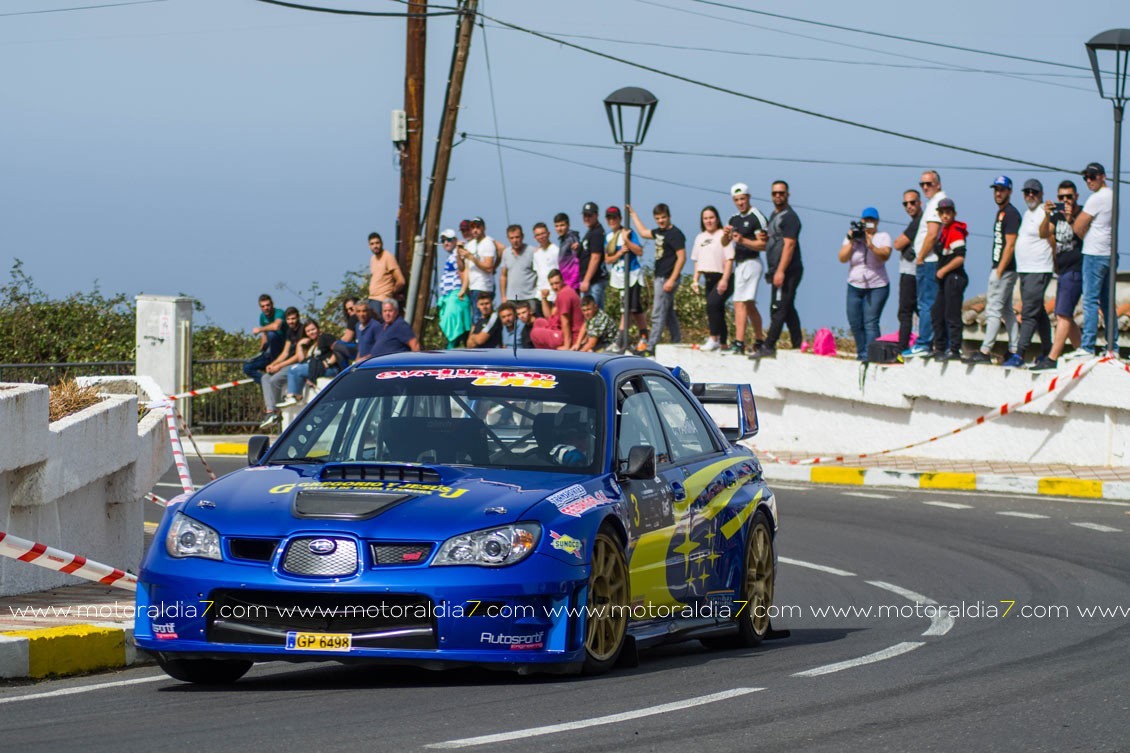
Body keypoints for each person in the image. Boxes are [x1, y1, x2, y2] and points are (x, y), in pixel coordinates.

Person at [965, 176, 1020, 365]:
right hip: (1002, 267)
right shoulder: (1002, 213)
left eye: (1002, 190)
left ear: (1009, 191)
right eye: (996, 189)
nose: (998, 193)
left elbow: (1010, 244)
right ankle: (1014, 349)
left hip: (1004, 269)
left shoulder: (1012, 214)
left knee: (993, 309)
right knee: (1006, 310)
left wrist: (1000, 270)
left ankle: (985, 350)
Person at [1035, 181, 1085, 369]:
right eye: (1061, 197)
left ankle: (1052, 357)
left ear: (1076, 197)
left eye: (1069, 197)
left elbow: (1085, 235)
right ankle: (1081, 350)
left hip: (1076, 268)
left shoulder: (1082, 214)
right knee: (1065, 314)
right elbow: (1043, 233)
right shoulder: (1056, 216)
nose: (1065, 201)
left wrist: (1071, 218)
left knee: (1062, 313)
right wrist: (1047, 215)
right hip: (1063, 269)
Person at [751, 181, 803, 359]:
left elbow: (789, 245)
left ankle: (769, 345)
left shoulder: (790, 217)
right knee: (787, 307)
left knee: (779, 307)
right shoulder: (775, 215)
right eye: (775, 193)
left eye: (781, 193)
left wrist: (781, 271)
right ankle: (798, 343)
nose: (778, 196)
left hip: (788, 270)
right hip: (776, 269)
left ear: (788, 194)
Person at [629, 202, 687, 355]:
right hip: (659, 276)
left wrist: (671, 279)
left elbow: (682, 257)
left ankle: (650, 346)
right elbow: (643, 233)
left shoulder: (675, 234)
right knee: (667, 312)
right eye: (657, 218)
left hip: (668, 277)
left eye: (663, 218)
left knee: (658, 312)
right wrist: (633, 215)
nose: (661, 221)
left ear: (668, 217)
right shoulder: (659, 232)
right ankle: (676, 340)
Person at [1072, 162, 1114, 358]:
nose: (1089, 180)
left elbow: (1078, 226)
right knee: (1107, 301)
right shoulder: (1113, 195)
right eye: (1086, 177)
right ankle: (1112, 345)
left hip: (1094, 254)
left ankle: (1087, 346)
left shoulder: (1096, 199)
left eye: (1092, 176)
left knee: (1090, 300)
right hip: (1109, 253)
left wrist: (1085, 237)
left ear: (1102, 177)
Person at [1011, 179, 1055, 368]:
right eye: (1027, 192)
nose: (1030, 195)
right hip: (1026, 269)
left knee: (1029, 313)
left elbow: (1048, 235)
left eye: (1034, 192)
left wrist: (1047, 215)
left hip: (1038, 269)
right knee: (1039, 312)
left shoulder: (1044, 213)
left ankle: (1019, 354)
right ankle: (1047, 351)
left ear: (1041, 194)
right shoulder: (1028, 213)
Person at [838, 207, 891, 360]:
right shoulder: (854, 236)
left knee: (870, 322)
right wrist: (851, 241)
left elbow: (885, 255)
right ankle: (862, 354)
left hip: (877, 286)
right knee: (855, 321)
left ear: (877, 222)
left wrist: (870, 244)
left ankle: (874, 355)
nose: (868, 223)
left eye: (872, 221)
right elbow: (842, 258)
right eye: (866, 220)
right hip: (855, 285)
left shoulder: (882, 236)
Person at [905, 170, 947, 357]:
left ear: (938, 184)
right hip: (928, 260)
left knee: (926, 303)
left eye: (928, 183)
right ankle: (929, 342)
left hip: (929, 261)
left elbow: (932, 233)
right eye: (922, 184)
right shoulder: (933, 203)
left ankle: (924, 342)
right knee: (927, 302)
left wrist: (920, 256)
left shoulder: (937, 203)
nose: (925, 187)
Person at [725, 183, 769, 356]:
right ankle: (759, 339)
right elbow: (725, 243)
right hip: (740, 263)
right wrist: (725, 235)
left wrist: (743, 240)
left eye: (742, 199)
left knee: (740, 302)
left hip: (752, 262)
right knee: (749, 304)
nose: (740, 203)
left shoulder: (756, 217)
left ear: (748, 198)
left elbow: (763, 245)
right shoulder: (733, 219)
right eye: (737, 200)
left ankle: (739, 342)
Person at [930, 198, 969, 360]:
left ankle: (954, 349)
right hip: (945, 279)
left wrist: (943, 271)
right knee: (937, 312)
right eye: (942, 213)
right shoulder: (944, 231)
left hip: (954, 277)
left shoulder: (955, 231)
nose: (945, 216)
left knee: (952, 314)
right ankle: (939, 347)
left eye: (948, 212)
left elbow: (960, 257)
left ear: (954, 213)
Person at [604, 206, 647, 350]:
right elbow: (608, 259)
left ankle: (624, 340)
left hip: (633, 275)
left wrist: (626, 241)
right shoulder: (608, 237)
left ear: (620, 219)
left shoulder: (628, 232)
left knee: (632, 308)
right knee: (628, 308)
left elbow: (639, 251)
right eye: (609, 218)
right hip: (619, 278)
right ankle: (635, 338)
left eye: (614, 217)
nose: (612, 220)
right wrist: (619, 253)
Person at [694, 205, 736, 352]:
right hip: (708, 277)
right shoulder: (700, 237)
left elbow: (729, 259)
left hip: (723, 277)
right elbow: (697, 260)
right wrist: (695, 280)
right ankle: (723, 342)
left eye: (711, 217)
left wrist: (724, 280)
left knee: (712, 305)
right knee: (717, 309)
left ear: (717, 218)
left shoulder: (722, 236)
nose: (709, 221)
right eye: (705, 218)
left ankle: (714, 338)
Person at [258, 306, 303, 428]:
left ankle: (276, 412)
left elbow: (298, 356)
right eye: (289, 319)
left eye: (293, 319)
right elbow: (285, 352)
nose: (291, 322)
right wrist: (273, 365)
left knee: (275, 380)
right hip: (288, 363)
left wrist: (279, 366)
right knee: (265, 378)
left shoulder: (302, 330)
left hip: (297, 364)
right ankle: (270, 412)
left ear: (298, 318)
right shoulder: (289, 331)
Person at [278, 319, 339, 407]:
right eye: (308, 331)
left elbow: (338, 350)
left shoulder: (325, 337)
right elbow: (302, 361)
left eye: (313, 329)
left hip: (329, 369)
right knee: (295, 368)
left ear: (318, 329)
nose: (311, 332)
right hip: (315, 368)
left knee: (293, 369)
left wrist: (328, 363)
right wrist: (299, 345)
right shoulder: (310, 344)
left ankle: (294, 396)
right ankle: (294, 396)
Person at [893, 189, 923, 353]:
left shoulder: (918, 222)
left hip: (912, 273)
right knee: (915, 310)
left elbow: (897, 244)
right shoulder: (916, 222)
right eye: (905, 204)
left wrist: (900, 243)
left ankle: (902, 348)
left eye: (912, 202)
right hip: (910, 271)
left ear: (920, 203)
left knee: (906, 312)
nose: (909, 206)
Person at [460, 217, 503, 324]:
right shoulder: (470, 244)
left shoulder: (488, 243)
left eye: (478, 227)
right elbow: (467, 269)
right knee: (475, 320)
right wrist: (463, 289)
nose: (475, 230)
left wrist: (473, 258)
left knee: (481, 320)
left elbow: (488, 267)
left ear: (484, 228)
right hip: (473, 287)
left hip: (483, 287)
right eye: (472, 227)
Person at [436, 228, 472, 348]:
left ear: (455, 240)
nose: (446, 243)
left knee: (454, 328)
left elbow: (464, 270)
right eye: (443, 240)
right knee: (452, 328)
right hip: (449, 297)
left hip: (456, 296)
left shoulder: (458, 253)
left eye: (449, 240)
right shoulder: (451, 255)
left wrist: (463, 290)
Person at [531, 269, 584, 349]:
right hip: (559, 330)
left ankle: (549, 357)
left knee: (535, 334)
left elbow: (565, 322)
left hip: (572, 336)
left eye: (557, 283)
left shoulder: (564, 295)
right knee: (538, 322)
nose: (554, 287)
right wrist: (544, 298)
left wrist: (567, 345)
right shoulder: (561, 293)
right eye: (552, 284)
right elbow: (549, 316)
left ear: (563, 280)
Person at [242, 294, 286, 381]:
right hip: (269, 352)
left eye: (268, 305)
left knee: (272, 334)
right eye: (263, 306)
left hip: (281, 348)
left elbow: (276, 326)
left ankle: (274, 364)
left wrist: (259, 329)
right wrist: (261, 351)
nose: (266, 308)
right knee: (247, 367)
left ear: (272, 305)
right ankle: (266, 383)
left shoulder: (279, 312)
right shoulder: (262, 316)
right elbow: (264, 335)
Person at [499, 224, 540, 313]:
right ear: (508, 238)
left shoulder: (532, 251)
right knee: (513, 325)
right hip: (512, 298)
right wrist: (503, 297)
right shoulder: (506, 253)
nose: (515, 240)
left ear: (522, 237)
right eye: (512, 238)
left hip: (530, 297)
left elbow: (539, 273)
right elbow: (503, 276)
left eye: (517, 237)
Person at [366, 232, 406, 313]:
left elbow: (401, 281)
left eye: (377, 243)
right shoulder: (373, 258)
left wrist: (391, 293)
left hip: (382, 300)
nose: (375, 246)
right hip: (372, 299)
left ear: (382, 243)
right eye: (372, 244)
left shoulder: (388, 257)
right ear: (369, 246)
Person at [578, 202, 608, 307]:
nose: (587, 218)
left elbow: (595, 257)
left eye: (589, 215)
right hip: (590, 281)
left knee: (594, 313)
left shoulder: (597, 233)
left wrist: (586, 280)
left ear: (596, 215)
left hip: (595, 281)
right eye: (585, 215)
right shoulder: (590, 232)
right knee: (588, 314)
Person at [531, 222, 559, 317]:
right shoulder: (536, 253)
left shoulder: (556, 250)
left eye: (543, 233)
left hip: (553, 295)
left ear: (548, 233)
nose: (541, 237)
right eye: (538, 235)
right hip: (539, 295)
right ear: (535, 237)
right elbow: (538, 272)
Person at [554, 212, 582, 292]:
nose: (559, 228)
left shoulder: (571, 238)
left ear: (568, 225)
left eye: (562, 225)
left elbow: (576, 260)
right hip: (566, 282)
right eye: (557, 226)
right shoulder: (563, 239)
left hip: (572, 283)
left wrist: (578, 246)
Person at [331, 298, 359, 367]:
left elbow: (347, 338)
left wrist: (335, 344)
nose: (349, 311)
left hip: (361, 349)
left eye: (351, 308)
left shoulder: (354, 317)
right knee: (338, 350)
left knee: (337, 346)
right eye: (347, 310)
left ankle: (344, 371)